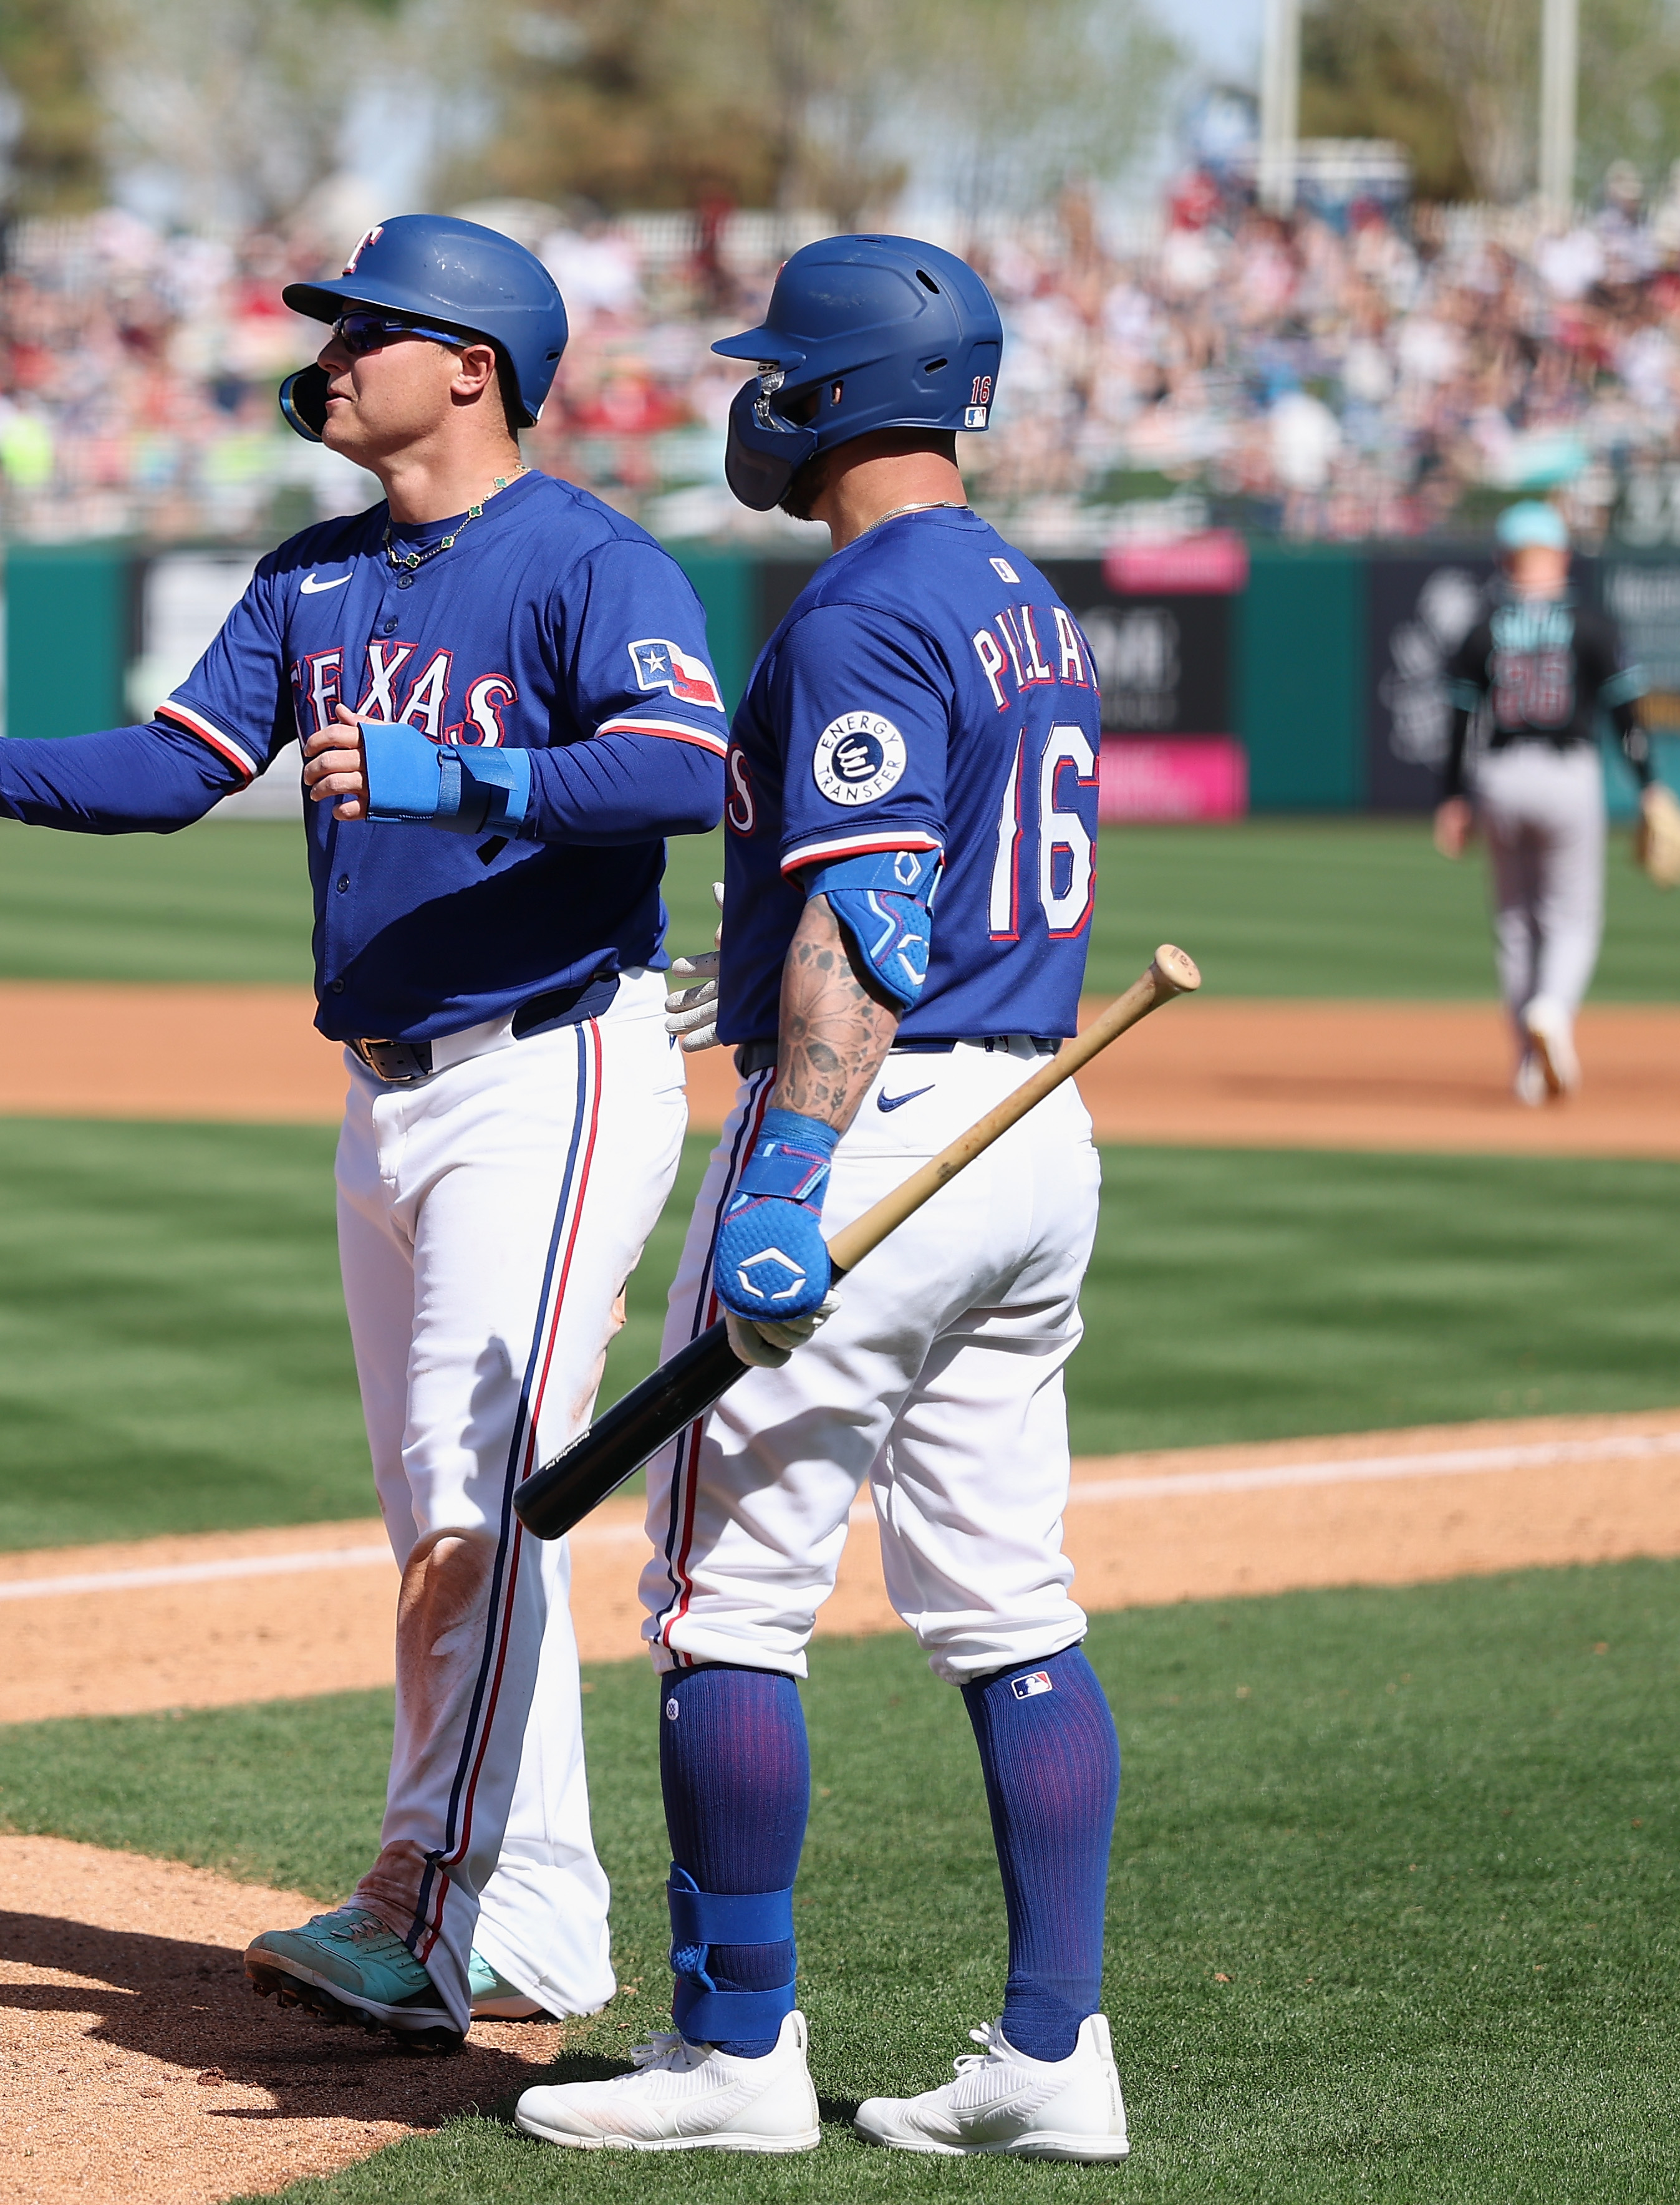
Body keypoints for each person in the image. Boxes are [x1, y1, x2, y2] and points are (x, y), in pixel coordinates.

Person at [0, 215, 728, 2047]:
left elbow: (683, 768)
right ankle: (548, 1922)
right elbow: (171, 768)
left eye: (367, 328)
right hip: (388, 1091)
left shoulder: (587, 562)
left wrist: (468, 772)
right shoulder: (315, 574)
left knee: (470, 1491)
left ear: (472, 366)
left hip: (553, 1069)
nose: (329, 352)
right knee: (454, 1507)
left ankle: (423, 1904)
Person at [511, 234, 1132, 2159]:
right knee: (1008, 1595)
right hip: (1032, 1128)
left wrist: (785, 1169)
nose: (753, 399)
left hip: (875, 1134)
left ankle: (733, 2049)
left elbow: (864, 914)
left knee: (725, 1603)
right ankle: (1051, 2049)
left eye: (781, 371)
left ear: (837, 397)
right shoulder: (1024, 594)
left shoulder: (865, 608)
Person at [1433, 501, 1657, 1103]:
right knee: (1572, 917)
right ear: (1560, 555)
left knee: (1515, 924)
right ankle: (1553, 1012)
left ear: (1503, 559)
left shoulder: (1481, 628)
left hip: (1501, 774)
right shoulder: (1592, 624)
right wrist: (1650, 788)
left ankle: (1528, 1068)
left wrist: (1452, 799)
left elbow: (1458, 723)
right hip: (1567, 773)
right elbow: (1628, 719)